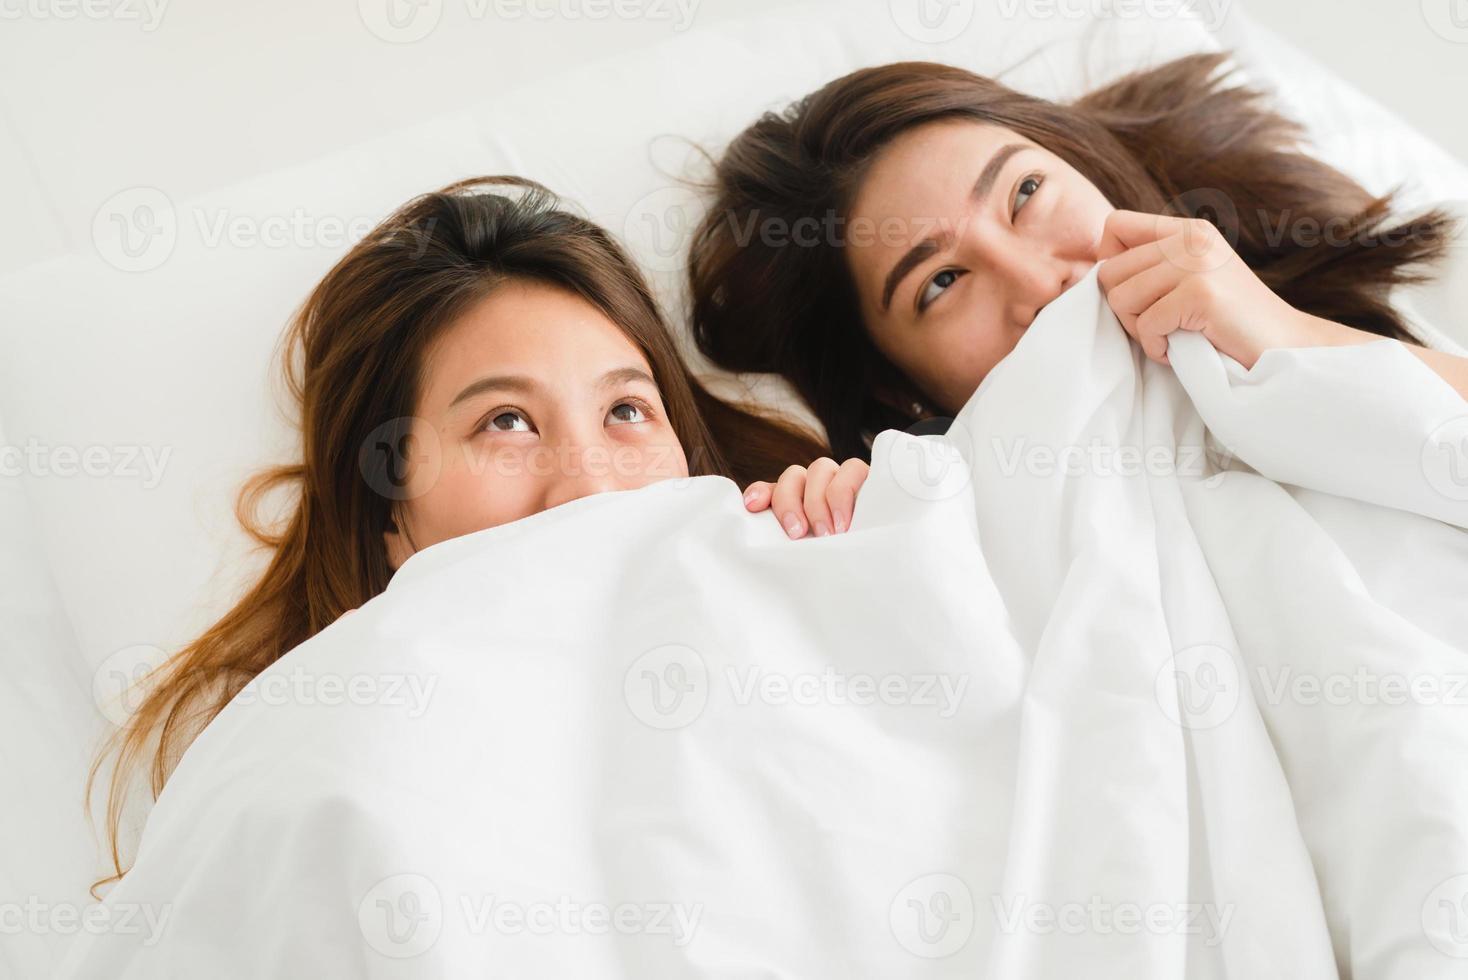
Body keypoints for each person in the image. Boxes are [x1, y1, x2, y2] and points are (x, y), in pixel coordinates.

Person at [88, 176, 868, 894]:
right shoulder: (318, 756)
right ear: (388, 515)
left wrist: (861, 551)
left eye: (627, 410)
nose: (590, 481)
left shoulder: (816, 572)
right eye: (507, 422)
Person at [688, 53, 1468, 459]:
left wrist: (1287, 337)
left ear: (1079, 161)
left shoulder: (1342, 298)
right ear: (899, 389)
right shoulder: (946, 510)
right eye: (943, 281)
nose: (1046, 287)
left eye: (1025, 193)